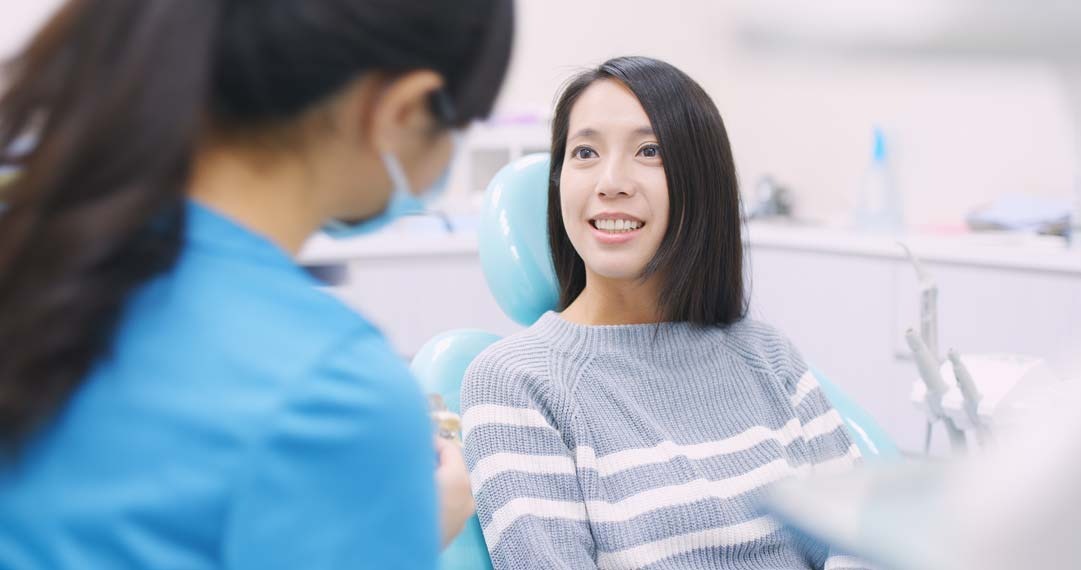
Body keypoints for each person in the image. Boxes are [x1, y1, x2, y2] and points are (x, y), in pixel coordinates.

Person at [0, 0, 512, 568]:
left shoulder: (41, 262)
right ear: (405, 111)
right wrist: (396, 529)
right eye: (463, 123)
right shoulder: (332, 391)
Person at [461, 57, 870, 569]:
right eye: (585, 152)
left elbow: (865, 539)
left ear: (701, 180)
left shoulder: (767, 355)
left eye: (649, 151)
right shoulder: (514, 383)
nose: (611, 182)